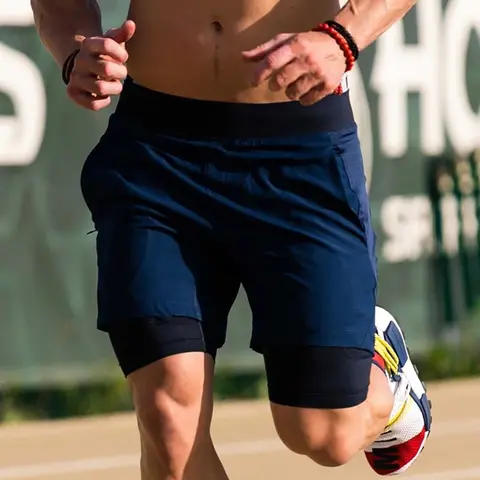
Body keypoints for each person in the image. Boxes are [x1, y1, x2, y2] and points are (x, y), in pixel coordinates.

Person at [31, 0, 432, 478]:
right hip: (155, 153)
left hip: (298, 147)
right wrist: (76, 48)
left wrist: (342, 38)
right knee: (167, 421)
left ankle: (385, 377)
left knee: (324, 434)